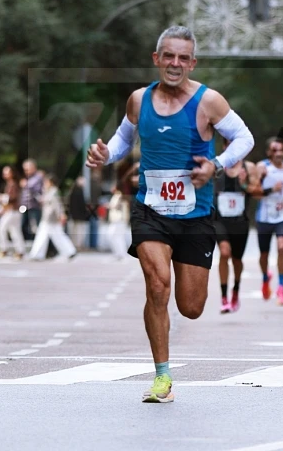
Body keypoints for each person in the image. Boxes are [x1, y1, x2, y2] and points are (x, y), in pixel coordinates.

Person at [85, 25, 254, 404]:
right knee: (157, 284)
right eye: (169, 56)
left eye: (183, 57)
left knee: (191, 308)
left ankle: (170, 345)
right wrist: (105, 155)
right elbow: (124, 139)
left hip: (195, 214)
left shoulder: (209, 101)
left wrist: (217, 165)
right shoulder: (138, 100)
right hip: (151, 209)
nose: (175, 63)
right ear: (156, 58)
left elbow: (245, 138)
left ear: (192, 63)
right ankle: (162, 376)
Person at [214, 141, 259, 313]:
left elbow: (258, 192)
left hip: (240, 221)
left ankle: (236, 290)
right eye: (226, 144)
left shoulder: (249, 167)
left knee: (237, 260)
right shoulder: (216, 165)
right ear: (224, 146)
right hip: (219, 220)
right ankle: (224, 297)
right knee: (224, 253)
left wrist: (245, 183)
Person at [252, 137, 283, 305]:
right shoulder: (263, 168)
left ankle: (281, 287)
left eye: (281, 150)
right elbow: (254, 192)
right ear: (268, 152)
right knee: (264, 254)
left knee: (282, 246)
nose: (278, 154)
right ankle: (265, 278)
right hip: (265, 216)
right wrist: (271, 189)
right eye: (274, 150)